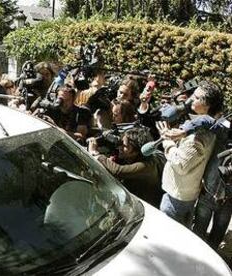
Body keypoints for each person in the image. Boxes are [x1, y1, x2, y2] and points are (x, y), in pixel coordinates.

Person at [156, 81, 224, 227]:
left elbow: (181, 164)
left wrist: (167, 142)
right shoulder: (206, 127)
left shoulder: (199, 136)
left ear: (207, 105)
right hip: (186, 194)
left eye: (197, 97)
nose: (192, 98)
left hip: (177, 197)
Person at [88, 127, 165, 207]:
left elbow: (117, 171)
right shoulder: (142, 157)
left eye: (124, 146)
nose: (119, 148)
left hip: (147, 206)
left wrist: (95, 153)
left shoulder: (146, 166)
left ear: (136, 151)